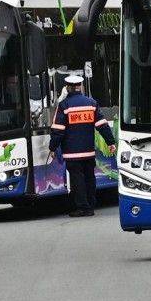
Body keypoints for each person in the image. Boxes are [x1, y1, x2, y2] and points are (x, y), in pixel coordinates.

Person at [49, 72, 102, 217]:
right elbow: (101, 125)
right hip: (89, 151)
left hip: (72, 153)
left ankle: (82, 208)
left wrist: (53, 147)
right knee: (90, 178)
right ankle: (90, 206)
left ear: (68, 87)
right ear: (80, 86)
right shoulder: (91, 103)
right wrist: (111, 142)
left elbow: (58, 129)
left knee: (77, 179)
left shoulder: (64, 105)